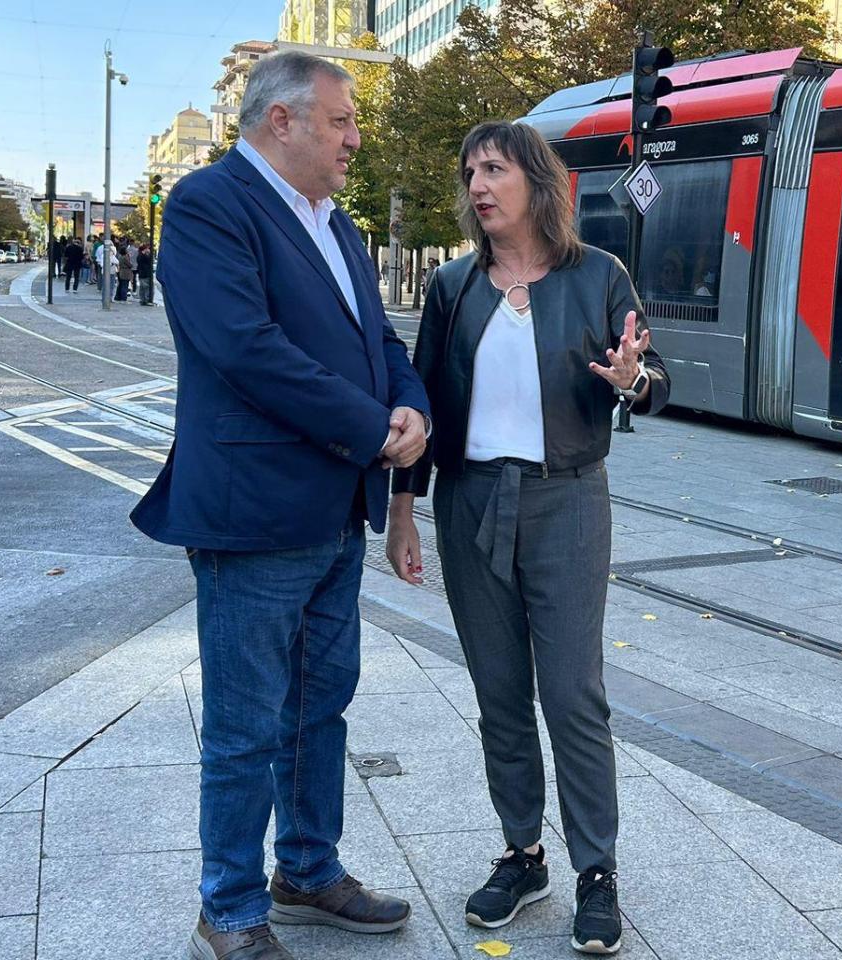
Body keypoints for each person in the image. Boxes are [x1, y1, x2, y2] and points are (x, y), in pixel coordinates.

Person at [129, 51, 429, 960]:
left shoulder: (338, 225)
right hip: (254, 515)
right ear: (281, 121)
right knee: (244, 724)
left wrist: (408, 404)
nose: (355, 137)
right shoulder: (210, 205)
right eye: (340, 121)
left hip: (337, 510)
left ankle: (306, 869)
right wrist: (373, 429)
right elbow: (246, 349)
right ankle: (229, 908)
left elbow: (376, 337)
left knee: (319, 708)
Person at [386, 120, 669, 957]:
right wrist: (406, 508)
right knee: (500, 692)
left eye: (495, 168)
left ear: (537, 183)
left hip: (568, 503)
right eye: (470, 170)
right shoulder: (452, 287)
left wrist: (633, 382)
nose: (478, 184)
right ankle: (524, 852)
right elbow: (424, 404)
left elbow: (653, 377)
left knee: (574, 693)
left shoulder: (599, 277)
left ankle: (597, 869)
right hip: (472, 503)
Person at [114, 237, 134, 302]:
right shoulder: (125, 257)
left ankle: (118, 296)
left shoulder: (120, 256)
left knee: (121, 284)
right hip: (125, 272)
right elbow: (129, 265)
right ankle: (123, 297)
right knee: (124, 285)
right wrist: (131, 265)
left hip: (121, 271)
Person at [137, 241, 155, 305]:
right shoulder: (144, 256)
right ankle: (147, 300)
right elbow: (149, 261)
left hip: (141, 274)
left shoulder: (139, 256)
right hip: (146, 274)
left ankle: (142, 300)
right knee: (148, 288)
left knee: (142, 288)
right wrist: (149, 254)